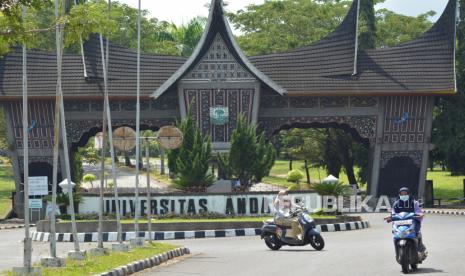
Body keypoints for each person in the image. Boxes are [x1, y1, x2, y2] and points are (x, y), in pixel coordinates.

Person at [385, 187, 427, 253]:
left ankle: (420, 247)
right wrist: (390, 217)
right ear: (399, 195)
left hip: (412, 221)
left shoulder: (414, 203)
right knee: (394, 232)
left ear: (408, 194)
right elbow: (393, 213)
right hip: (399, 222)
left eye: (405, 194)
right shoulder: (396, 204)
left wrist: (420, 214)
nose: (403, 195)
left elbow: (418, 211)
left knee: (417, 232)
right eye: (402, 194)